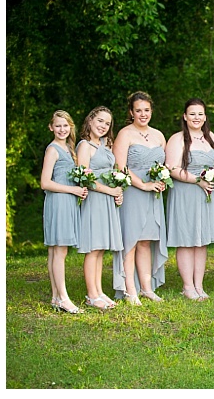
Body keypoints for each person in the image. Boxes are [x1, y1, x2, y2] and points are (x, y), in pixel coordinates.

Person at [164, 98, 214, 301]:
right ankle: (188, 286)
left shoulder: (210, 137)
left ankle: (199, 285)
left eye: (200, 114)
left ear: (205, 116)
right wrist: (198, 180)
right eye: (192, 114)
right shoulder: (177, 139)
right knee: (187, 240)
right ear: (185, 116)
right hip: (186, 192)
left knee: (201, 241)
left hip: (206, 194)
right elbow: (171, 168)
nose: (196, 118)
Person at [112, 91, 168, 305]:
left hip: (154, 193)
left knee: (146, 241)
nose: (143, 114)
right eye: (138, 111)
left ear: (151, 111)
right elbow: (121, 167)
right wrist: (143, 184)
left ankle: (146, 288)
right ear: (131, 112)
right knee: (131, 240)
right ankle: (130, 290)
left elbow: (164, 164)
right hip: (133, 191)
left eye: (146, 110)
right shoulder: (125, 134)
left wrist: (161, 179)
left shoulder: (159, 135)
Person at [77, 107, 123, 311]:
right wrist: (109, 191)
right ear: (90, 120)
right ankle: (91, 294)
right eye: (100, 121)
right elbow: (84, 179)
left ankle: (98, 290)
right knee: (93, 248)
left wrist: (118, 191)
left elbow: (112, 172)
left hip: (107, 199)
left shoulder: (106, 144)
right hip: (95, 199)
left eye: (107, 123)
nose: (103, 126)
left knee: (101, 247)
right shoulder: (84, 146)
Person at [40, 110, 86, 314]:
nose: (62, 129)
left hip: (68, 201)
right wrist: (72, 189)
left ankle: (55, 296)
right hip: (58, 201)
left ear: (70, 127)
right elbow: (45, 182)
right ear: (51, 127)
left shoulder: (69, 148)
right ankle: (64, 298)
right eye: (58, 125)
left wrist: (81, 185)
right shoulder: (53, 150)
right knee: (59, 251)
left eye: (65, 125)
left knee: (55, 251)